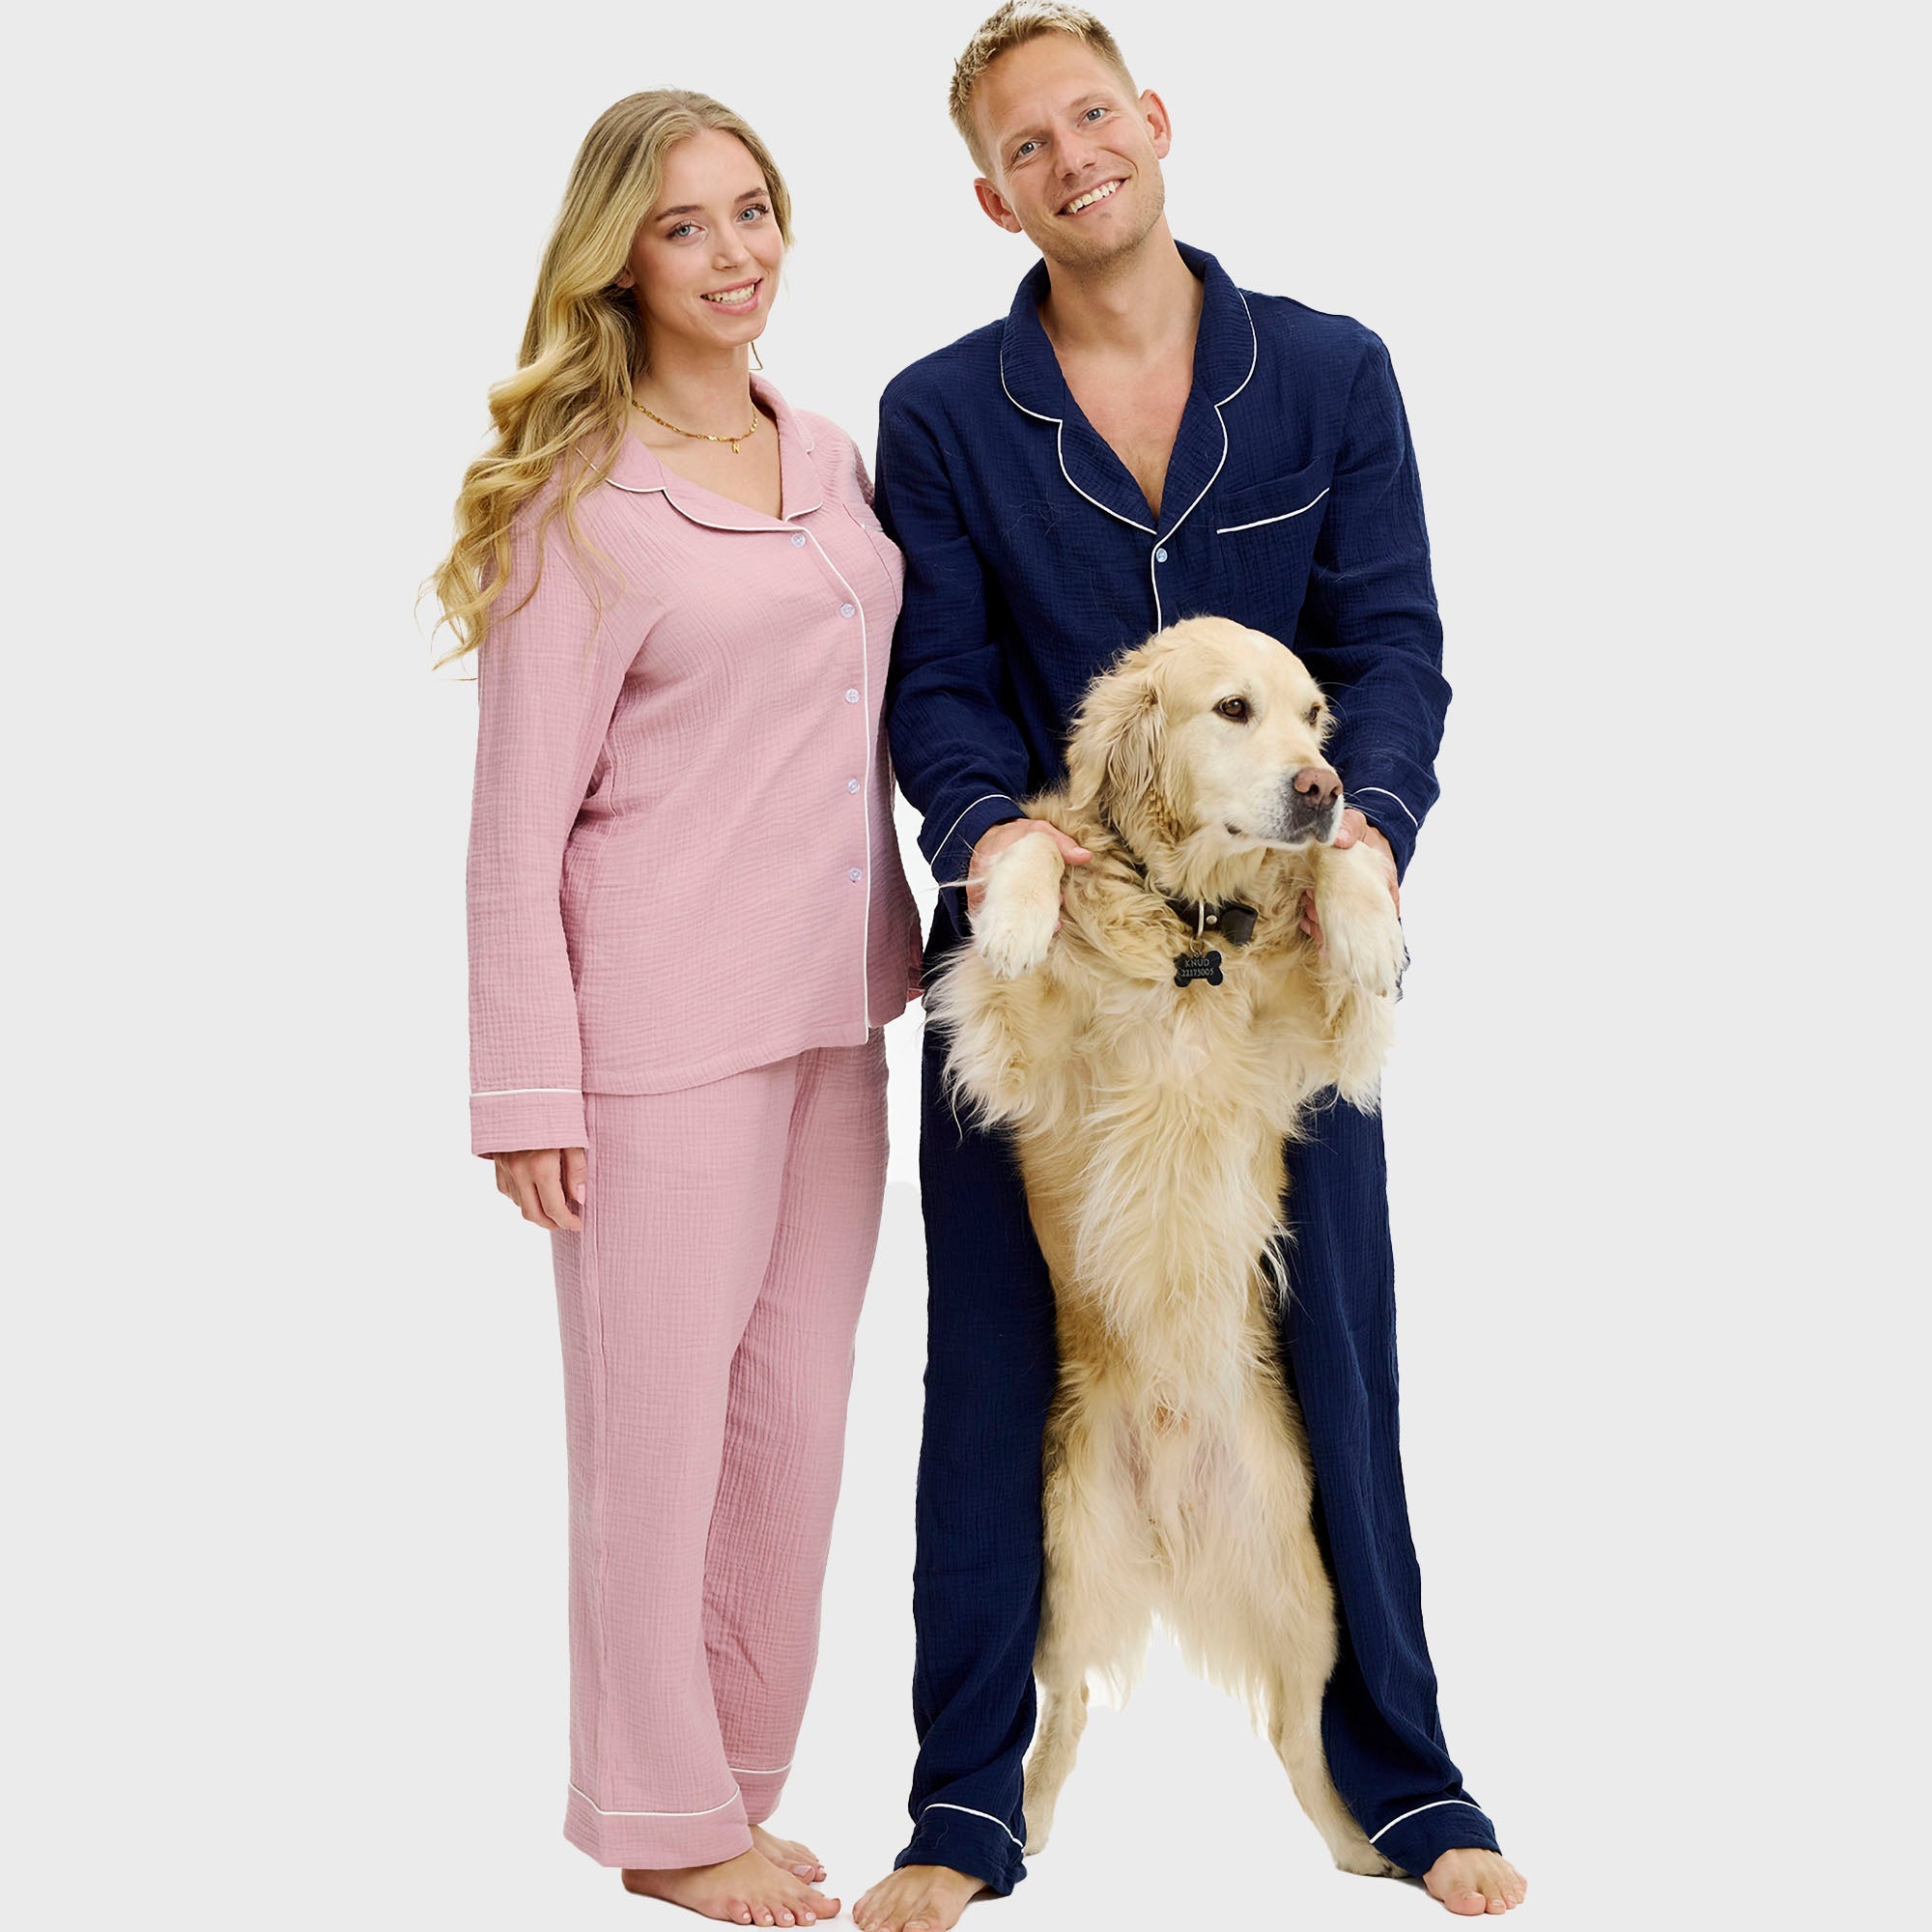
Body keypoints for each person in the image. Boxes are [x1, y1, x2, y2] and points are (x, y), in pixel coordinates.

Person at [851, 8, 1527, 1926]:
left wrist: (1368, 826)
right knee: (995, 1372)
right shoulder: (941, 412)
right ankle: (964, 1808)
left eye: (1092, 114)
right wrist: (987, 829)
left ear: (1152, 119)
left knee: (1336, 1349)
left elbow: (1391, 644)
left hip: (1286, 959)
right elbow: (936, 680)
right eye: (1026, 143)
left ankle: (1400, 1781)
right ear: (992, 195)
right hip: (1049, 957)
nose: (1072, 156)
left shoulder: (1327, 370)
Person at [437, 90, 923, 1930]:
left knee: (794, 1423)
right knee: (653, 1444)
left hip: (836, 1013)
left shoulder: (828, 452)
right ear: (619, 261)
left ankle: (730, 1789)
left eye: (754, 211)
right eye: (686, 226)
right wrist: (525, 1092)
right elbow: (513, 826)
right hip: (650, 1037)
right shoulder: (578, 504)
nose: (736, 255)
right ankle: (655, 1817)